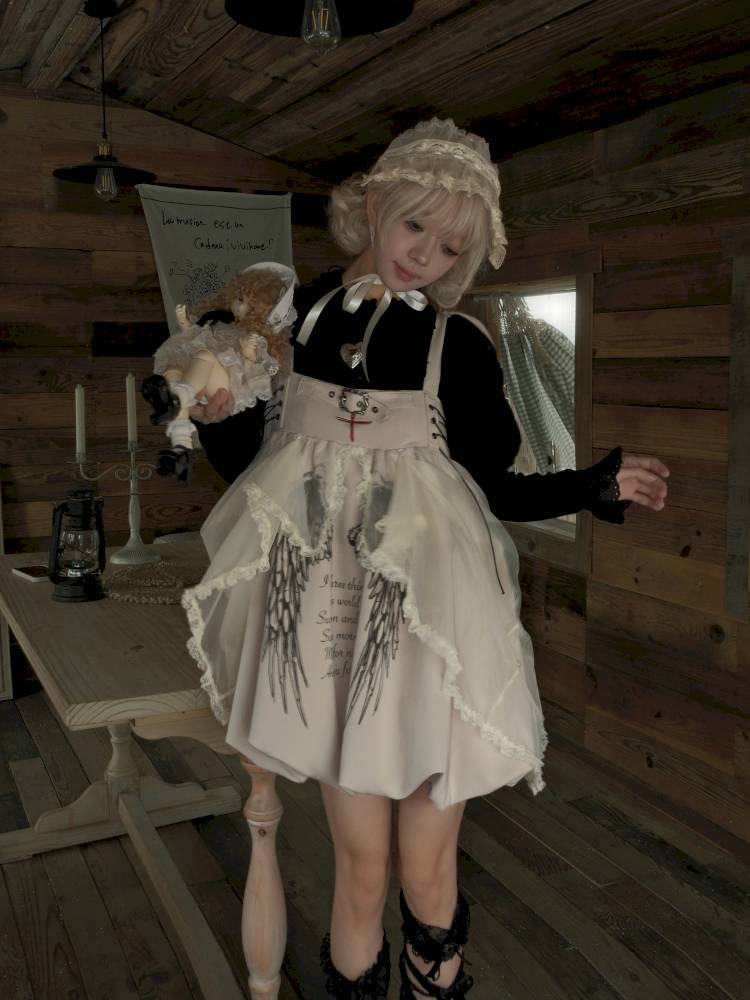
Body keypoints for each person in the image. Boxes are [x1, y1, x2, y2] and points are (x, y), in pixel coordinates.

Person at [181, 119, 669, 999]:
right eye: (416, 226)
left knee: (428, 871)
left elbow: (496, 485)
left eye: (450, 247)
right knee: (361, 869)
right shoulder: (283, 325)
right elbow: (253, 469)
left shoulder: (460, 345)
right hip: (328, 630)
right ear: (374, 204)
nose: (426, 256)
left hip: (427, 632)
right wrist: (216, 417)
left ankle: (435, 978)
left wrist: (596, 483)